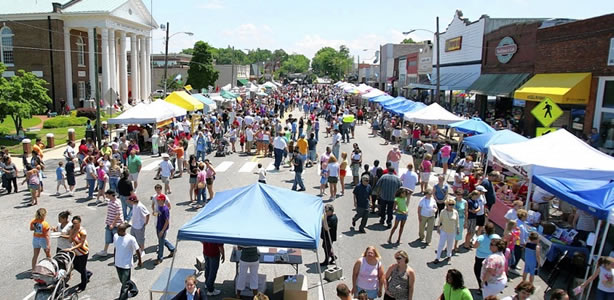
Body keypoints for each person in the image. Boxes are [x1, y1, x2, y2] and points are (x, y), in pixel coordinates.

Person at [114, 223, 141, 299]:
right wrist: (114, 260)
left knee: (124, 285)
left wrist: (140, 261)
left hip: (126, 265)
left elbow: (137, 250)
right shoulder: (116, 236)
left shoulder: (131, 238)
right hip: (118, 263)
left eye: (119, 230)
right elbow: (115, 248)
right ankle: (134, 289)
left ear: (123, 231)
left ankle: (122, 298)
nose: (117, 231)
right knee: (124, 281)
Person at [473, 222, 501, 289]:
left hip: (480, 257)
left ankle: (481, 286)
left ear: (485, 229)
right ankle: (488, 285)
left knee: (478, 272)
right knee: (489, 272)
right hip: (491, 257)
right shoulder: (497, 237)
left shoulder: (481, 238)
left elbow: (475, 246)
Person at [97, 190, 124, 257]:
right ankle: (105, 251)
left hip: (116, 225)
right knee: (107, 239)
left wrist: (113, 224)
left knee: (117, 239)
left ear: (111, 195)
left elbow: (118, 215)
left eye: (107, 195)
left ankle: (118, 251)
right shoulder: (110, 201)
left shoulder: (117, 203)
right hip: (109, 223)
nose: (106, 196)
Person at [434, 199, 460, 263]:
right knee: (441, 244)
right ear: (447, 205)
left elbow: (457, 221)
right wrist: (438, 228)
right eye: (450, 204)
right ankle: (437, 258)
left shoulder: (455, 212)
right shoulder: (443, 211)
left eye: (453, 204)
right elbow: (440, 220)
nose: (451, 206)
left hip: (452, 231)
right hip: (444, 230)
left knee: (450, 244)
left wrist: (458, 229)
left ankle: (449, 255)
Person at [155, 194, 176, 265]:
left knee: (160, 243)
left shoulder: (165, 209)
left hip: (162, 228)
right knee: (162, 240)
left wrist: (162, 230)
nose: (157, 201)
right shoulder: (159, 206)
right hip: (158, 226)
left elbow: (167, 221)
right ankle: (172, 249)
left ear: (162, 201)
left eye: (158, 200)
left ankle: (160, 258)